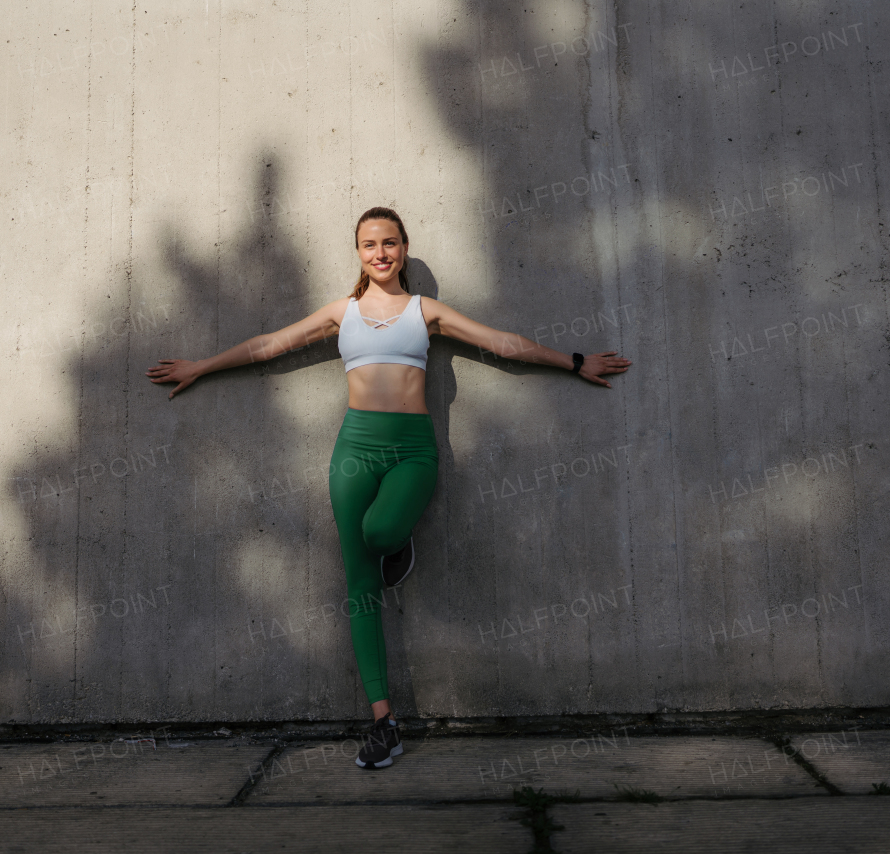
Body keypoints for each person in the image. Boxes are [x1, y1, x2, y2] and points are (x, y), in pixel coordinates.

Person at [146, 206, 631, 769]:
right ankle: (384, 721)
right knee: (359, 587)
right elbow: (269, 345)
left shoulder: (426, 312)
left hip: (413, 450)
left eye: (390, 243)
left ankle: (394, 545)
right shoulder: (341, 313)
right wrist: (201, 367)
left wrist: (574, 362)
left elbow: (503, 343)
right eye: (369, 244)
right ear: (358, 253)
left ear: (403, 248)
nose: (380, 253)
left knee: (379, 533)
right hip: (353, 452)